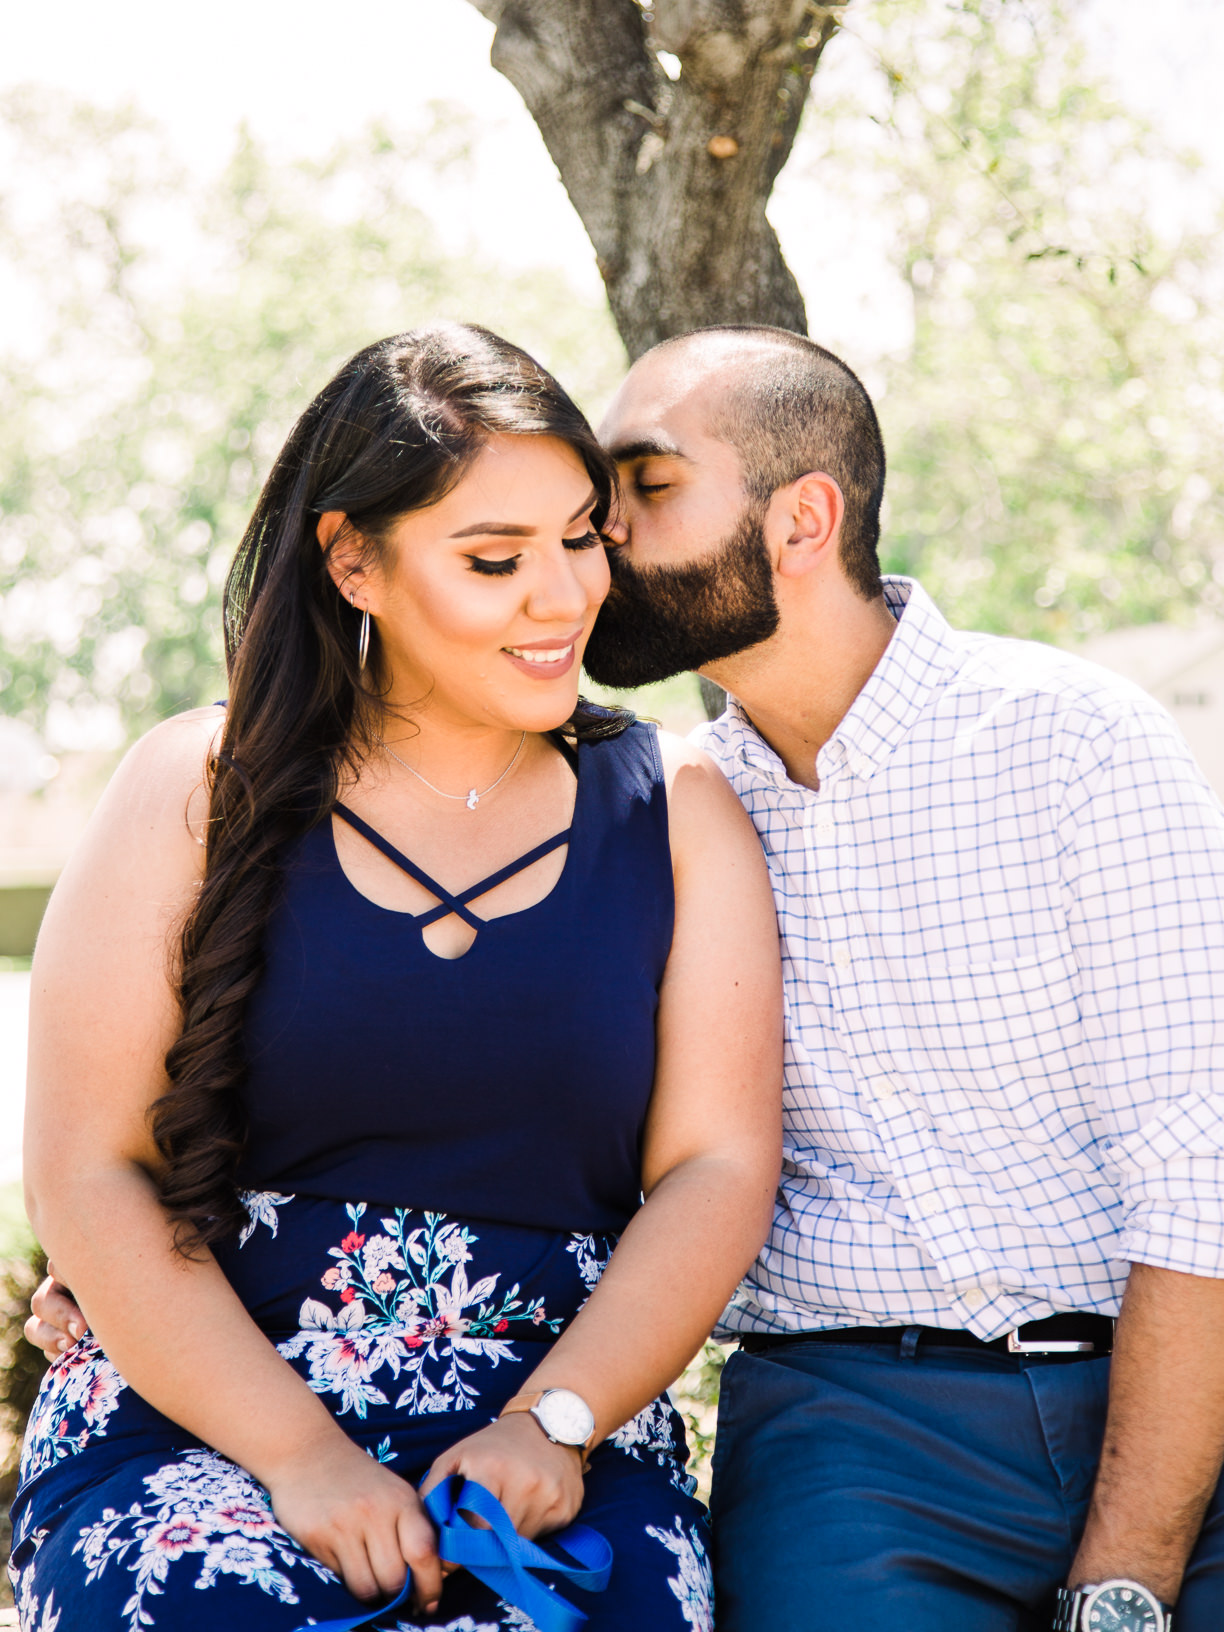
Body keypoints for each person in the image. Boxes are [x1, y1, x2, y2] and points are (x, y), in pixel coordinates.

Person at [11, 321, 783, 1632]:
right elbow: (87, 1171)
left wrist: (556, 1426)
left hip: (555, 1440)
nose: (564, 597)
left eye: (581, 537)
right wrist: (303, 1459)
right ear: (353, 561)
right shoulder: (194, 789)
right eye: (495, 560)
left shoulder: (679, 808)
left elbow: (717, 1165)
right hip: (205, 1417)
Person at [580, 324, 1224, 1631]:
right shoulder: (661, 813)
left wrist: (1127, 1580)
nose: (599, 533)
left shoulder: (1077, 747)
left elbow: (1202, 1177)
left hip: (1174, 1398)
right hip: (853, 1441)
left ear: (801, 521)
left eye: (647, 489)